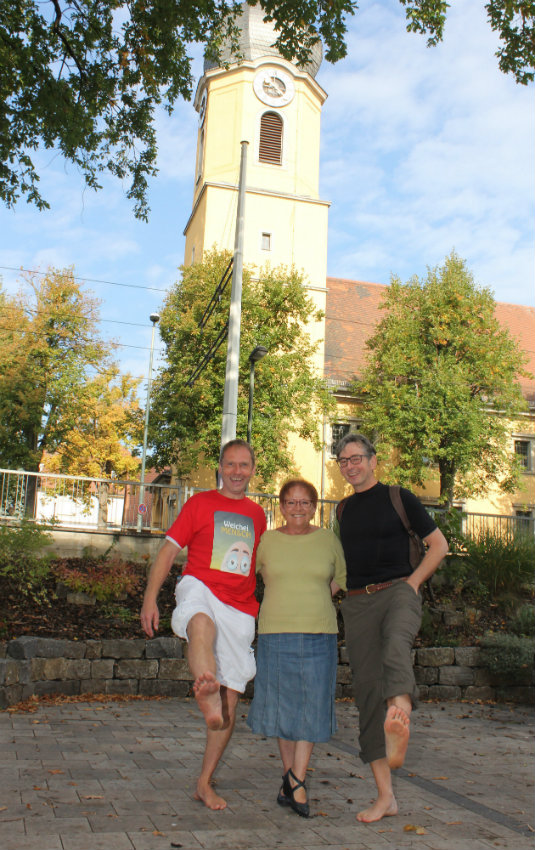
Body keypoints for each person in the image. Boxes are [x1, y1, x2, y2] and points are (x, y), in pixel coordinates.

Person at [140, 439, 267, 811]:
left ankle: (204, 782)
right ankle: (205, 689)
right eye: (230, 464)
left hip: (240, 608)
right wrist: (150, 599)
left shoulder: (258, 515)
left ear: (253, 469)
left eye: (244, 465)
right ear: (220, 467)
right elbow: (167, 551)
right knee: (199, 623)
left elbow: (261, 565)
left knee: (230, 703)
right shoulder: (199, 504)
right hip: (201, 588)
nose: (237, 471)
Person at [334, 433, 448, 824]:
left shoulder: (401, 497)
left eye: (357, 458)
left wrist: (413, 583)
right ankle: (386, 796)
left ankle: (398, 713)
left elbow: (439, 545)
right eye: (343, 461)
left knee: (396, 647)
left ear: (373, 460)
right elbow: (343, 566)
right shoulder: (343, 510)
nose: (351, 466)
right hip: (357, 602)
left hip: (399, 590)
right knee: (367, 693)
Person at [247, 479, 346, 818]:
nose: (298, 508)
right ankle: (290, 779)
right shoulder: (267, 541)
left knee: (311, 708)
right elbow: (246, 575)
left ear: (314, 506)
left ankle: (298, 779)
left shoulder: (327, 540)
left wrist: (317, 597)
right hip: (275, 632)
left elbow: (341, 579)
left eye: (305, 503)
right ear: (282, 506)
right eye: (291, 502)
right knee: (283, 708)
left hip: (320, 633)